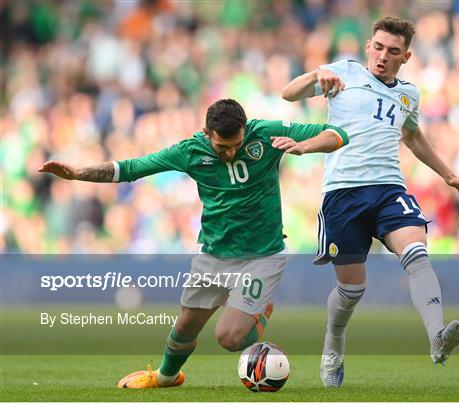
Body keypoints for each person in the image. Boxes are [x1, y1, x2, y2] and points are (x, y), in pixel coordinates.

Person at [39, 98, 349, 388]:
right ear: (206, 134)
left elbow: (337, 134)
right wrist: (78, 173)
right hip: (214, 253)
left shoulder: (267, 134)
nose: (230, 153)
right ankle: (166, 376)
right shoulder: (190, 150)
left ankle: (261, 310)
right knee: (187, 324)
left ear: (245, 129)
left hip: (263, 254)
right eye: (221, 146)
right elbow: (132, 168)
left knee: (229, 338)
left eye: (237, 145)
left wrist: (303, 146)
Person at [281, 17, 459, 388]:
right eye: (378, 47)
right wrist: (314, 76)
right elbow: (288, 94)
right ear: (368, 45)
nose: (382, 56)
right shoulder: (343, 72)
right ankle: (333, 345)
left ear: (406, 56)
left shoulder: (409, 94)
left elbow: (413, 135)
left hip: (389, 189)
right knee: (352, 290)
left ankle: (437, 335)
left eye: (392, 51)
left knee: (417, 253)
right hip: (343, 192)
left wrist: (448, 174)